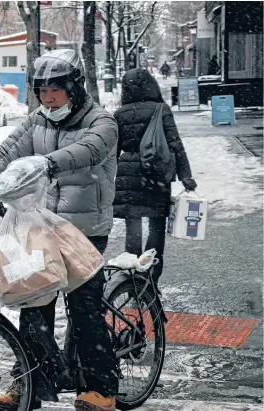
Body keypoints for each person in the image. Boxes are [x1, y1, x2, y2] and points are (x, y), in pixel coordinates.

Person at [0, 49, 119, 411]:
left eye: (56, 90)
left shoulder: (102, 122)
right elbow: (6, 151)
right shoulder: (38, 120)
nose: (48, 98)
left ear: (75, 88)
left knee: (84, 310)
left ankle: (102, 388)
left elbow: (88, 152)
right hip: (41, 226)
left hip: (85, 228)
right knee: (32, 305)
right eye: (42, 90)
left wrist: (46, 163)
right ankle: (31, 382)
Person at [113, 68, 197, 292]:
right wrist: (186, 175)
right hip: (155, 174)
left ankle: (132, 279)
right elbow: (175, 144)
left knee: (133, 227)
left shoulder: (119, 114)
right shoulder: (161, 109)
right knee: (156, 227)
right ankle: (151, 278)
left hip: (127, 174)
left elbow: (112, 150)